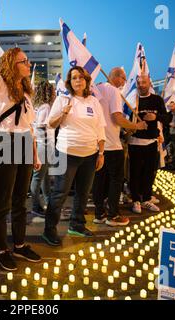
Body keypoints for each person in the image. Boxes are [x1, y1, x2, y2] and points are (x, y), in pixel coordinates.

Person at [0, 1, 42, 271]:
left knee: (21, 198)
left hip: (23, 145)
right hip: (5, 145)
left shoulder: (28, 93)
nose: (28, 63)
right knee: (3, 200)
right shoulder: (1, 86)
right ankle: (1, 248)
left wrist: (34, 153)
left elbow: (29, 127)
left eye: (27, 60)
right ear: (12, 64)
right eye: (24, 61)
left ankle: (19, 245)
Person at [42, 66, 106, 246]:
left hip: (90, 155)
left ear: (86, 80)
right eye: (74, 78)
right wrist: (63, 113)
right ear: (69, 82)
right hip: (66, 153)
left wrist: (101, 153)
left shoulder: (94, 102)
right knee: (59, 193)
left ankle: (77, 225)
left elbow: (100, 128)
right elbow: (51, 124)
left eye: (81, 77)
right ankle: (49, 230)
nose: (78, 80)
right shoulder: (63, 100)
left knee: (83, 193)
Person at [92, 67, 147, 227]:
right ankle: (113, 215)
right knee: (116, 180)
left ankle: (99, 213)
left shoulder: (97, 88)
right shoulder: (114, 91)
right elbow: (116, 118)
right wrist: (138, 126)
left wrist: (125, 128)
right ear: (117, 77)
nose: (124, 83)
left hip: (98, 145)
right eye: (123, 79)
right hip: (112, 145)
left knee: (99, 181)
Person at [128, 75, 170, 214]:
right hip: (134, 142)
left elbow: (167, 117)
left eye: (144, 82)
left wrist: (155, 117)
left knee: (149, 173)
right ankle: (135, 200)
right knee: (134, 173)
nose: (141, 85)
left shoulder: (157, 99)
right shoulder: (132, 100)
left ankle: (146, 198)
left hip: (151, 142)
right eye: (139, 83)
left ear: (149, 83)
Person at [30, 80, 56, 217]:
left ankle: (47, 201)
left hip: (40, 144)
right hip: (43, 145)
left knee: (44, 177)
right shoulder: (46, 107)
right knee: (38, 177)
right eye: (52, 90)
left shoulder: (37, 105)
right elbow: (41, 126)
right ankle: (35, 206)